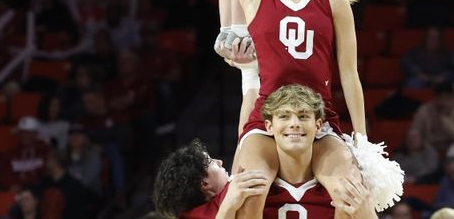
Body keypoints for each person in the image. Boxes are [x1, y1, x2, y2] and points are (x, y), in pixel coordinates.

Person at [223, 0, 367, 216]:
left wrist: (361, 138)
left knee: (350, 193)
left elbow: (349, 74)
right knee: (250, 191)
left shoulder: (333, 4)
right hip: (267, 119)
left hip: (319, 119)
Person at [153, 85, 369, 219]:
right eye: (284, 116)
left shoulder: (342, 183)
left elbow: (243, 131)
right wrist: (228, 208)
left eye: (303, 116)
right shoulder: (238, 192)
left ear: (319, 125)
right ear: (268, 127)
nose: (294, 124)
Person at [411, 81, 454, 156]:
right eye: (439, 98)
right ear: (434, 98)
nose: (443, 102)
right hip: (429, 149)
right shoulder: (424, 111)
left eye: (447, 98)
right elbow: (414, 134)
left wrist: (444, 118)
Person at [0, 116, 51, 189]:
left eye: (29, 133)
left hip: (40, 190)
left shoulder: (45, 151)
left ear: (36, 133)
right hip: (15, 189)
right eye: (23, 133)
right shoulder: (9, 153)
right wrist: (12, 185)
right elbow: (3, 174)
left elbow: (50, 172)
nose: (26, 136)